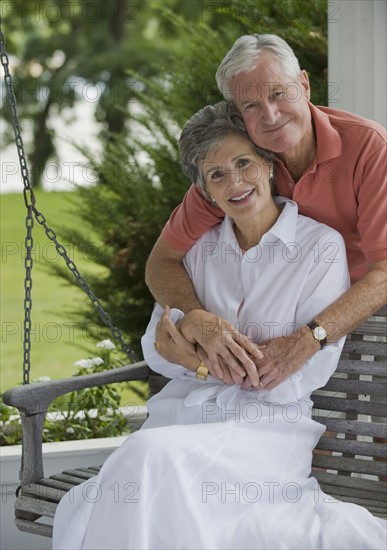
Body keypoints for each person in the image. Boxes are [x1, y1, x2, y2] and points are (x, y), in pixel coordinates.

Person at [53, 101, 386, 550]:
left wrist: (202, 360)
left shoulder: (319, 248)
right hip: (181, 416)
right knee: (137, 476)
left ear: (268, 166)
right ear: (205, 192)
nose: (235, 183)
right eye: (217, 175)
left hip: (267, 428)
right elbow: (159, 345)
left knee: (147, 461)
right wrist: (190, 347)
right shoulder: (197, 251)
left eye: (243, 163)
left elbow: (304, 369)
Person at [146, 34, 387, 387]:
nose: (271, 115)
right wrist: (197, 319)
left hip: (355, 317)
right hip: (278, 327)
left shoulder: (368, 147)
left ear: (303, 85)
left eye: (278, 93)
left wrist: (310, 338)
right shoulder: (241, 173)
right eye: (251, 106)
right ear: (237, 115)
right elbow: (162, 261)